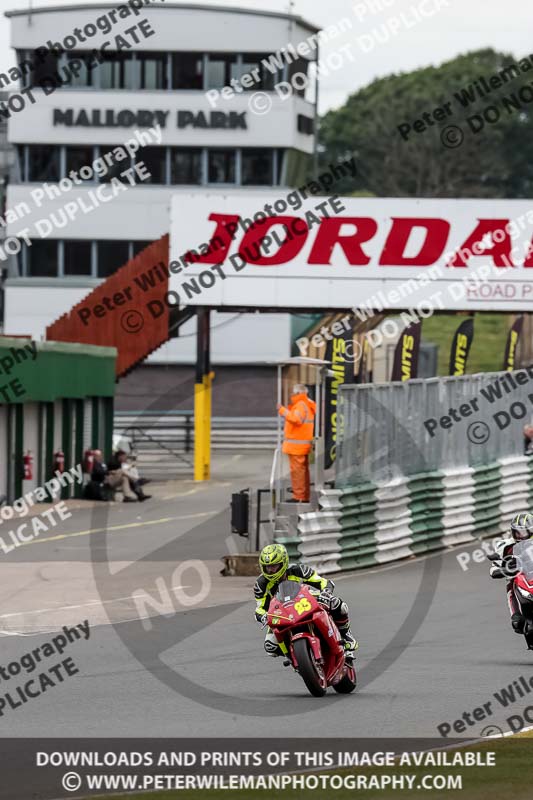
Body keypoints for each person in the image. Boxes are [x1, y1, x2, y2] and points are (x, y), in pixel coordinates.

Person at [254, 543, 358, 656]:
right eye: (267, 567)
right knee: (270, 647)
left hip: (303, 602)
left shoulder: (298, 570)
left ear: (283, 563)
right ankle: (295, 657)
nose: (271, 570)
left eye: (274, 566)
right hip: (281, 613)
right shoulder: (261, 584)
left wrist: (326, 592)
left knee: (338, 605)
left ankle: (346, 635)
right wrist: (263, 617)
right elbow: (259, 609)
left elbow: (322, 582)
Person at [490, 512, 533, 633]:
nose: (520, 535)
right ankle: (516, 613)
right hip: (521, 576)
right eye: (517, 532)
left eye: (523, 532)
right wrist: (501, 570)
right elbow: (494, 567)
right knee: (510, 582)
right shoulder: (505, 545)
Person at [277, 383, 316, 503]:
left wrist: (282, 410)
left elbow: (296, 419)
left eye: (293, 393)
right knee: (303, 472)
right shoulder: (307, 404)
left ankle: (299, 497)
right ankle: (303, 496)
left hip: (296, 446)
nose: (291, 395)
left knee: (297, 472)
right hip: (302, 445)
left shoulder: (300, 405)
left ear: (298, 393)